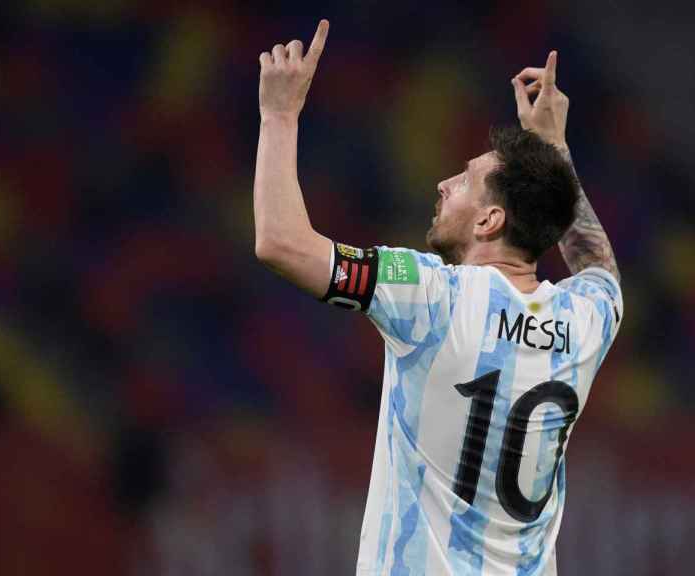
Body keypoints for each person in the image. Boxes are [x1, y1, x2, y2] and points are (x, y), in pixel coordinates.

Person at [253, 19, 622, 576]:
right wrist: (555, 149)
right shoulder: (583, 322)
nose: (444, 185)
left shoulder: (432, 295)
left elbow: (281, 242)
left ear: (491, 219)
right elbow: (598, 266)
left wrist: (278, 116)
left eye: (465, 180)